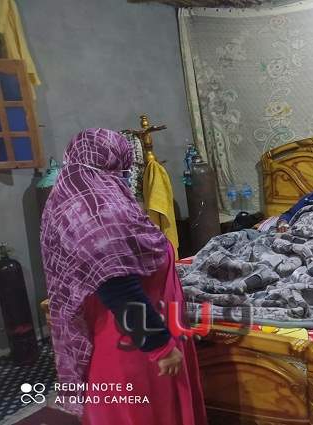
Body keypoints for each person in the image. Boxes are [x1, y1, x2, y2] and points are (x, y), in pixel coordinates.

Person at [40, 128, 207, 424]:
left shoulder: (73, 200)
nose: (126, 174)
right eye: (123, 166)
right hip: (132, 347)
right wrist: (160, 346)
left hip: (129, 334)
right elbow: (117, 285)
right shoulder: (96, 210)